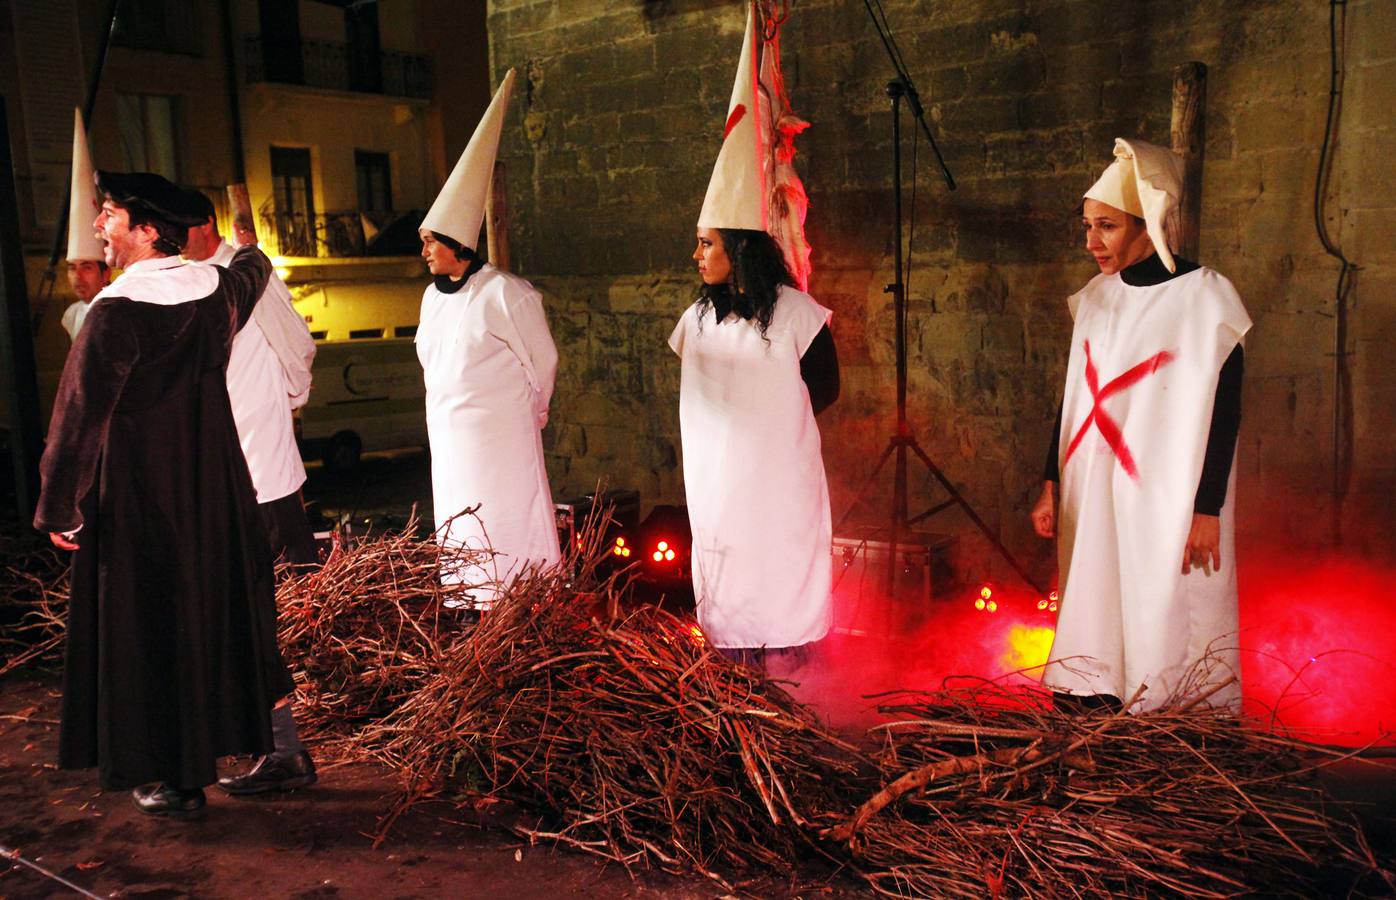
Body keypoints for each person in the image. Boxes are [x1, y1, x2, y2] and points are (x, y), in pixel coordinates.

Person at [33, 170, 294, 820]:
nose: (101, 226)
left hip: (139, 497)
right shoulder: (219, 292)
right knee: (205, 617)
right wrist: (246, 245)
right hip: (212, 489)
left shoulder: (114, 315)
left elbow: (77, 420)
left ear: (148, 231)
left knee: (148, 628)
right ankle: (204, 760)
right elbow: (255, 269)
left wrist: (61, 505)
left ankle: (169, 777)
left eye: (111, 214)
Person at [1031, 138, 1250, 713]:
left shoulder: (1204, 299)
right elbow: (1074, 397)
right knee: (1097, 586)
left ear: (1145, 223)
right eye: (1086, 226)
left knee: (1165, 599)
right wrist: (1050, 482)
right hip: (1095, 484)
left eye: (1106, 226)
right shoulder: (1097, 299)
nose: (1091, 241)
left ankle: (1170, 707)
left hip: (1167, 492)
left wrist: (1207, 508)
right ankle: (1093, 688)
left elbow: (1226, 409)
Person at [669, 3, 838, 674]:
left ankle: (794, 681)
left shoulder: (797, 314)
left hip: (779, 478)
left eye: (706, 244)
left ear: (738, 248)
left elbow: (825, 387)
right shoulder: (697, 322)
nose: (697, 255)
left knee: (780, 577)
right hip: (719, 483)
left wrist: (774, 433)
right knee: (731, 582)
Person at [179, 187, 320, 795]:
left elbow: (297, 347)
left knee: (245, 619)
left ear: (203, 226)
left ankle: (279, 748)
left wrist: (287, 403)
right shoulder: (186, 281)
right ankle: (269, 745)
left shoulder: (239, 278)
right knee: (234, 620)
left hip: (258, 482)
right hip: (229, 479)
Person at [415, 68, 560, 612]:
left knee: (507, 529)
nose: (426, 251)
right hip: (452, 444)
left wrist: (532, 409)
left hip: (500, 438)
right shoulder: (431, 299)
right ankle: (472, 614)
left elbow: (541, 361)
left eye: (432, 242)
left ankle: (523, 609)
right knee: (462, 533)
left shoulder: (505, 293)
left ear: (458, 244)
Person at [60, 108, 108, 342]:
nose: (77, 276)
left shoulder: (114, 313)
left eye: (87, 267)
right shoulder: (72, 315)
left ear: (106, 272)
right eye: (72, 267)